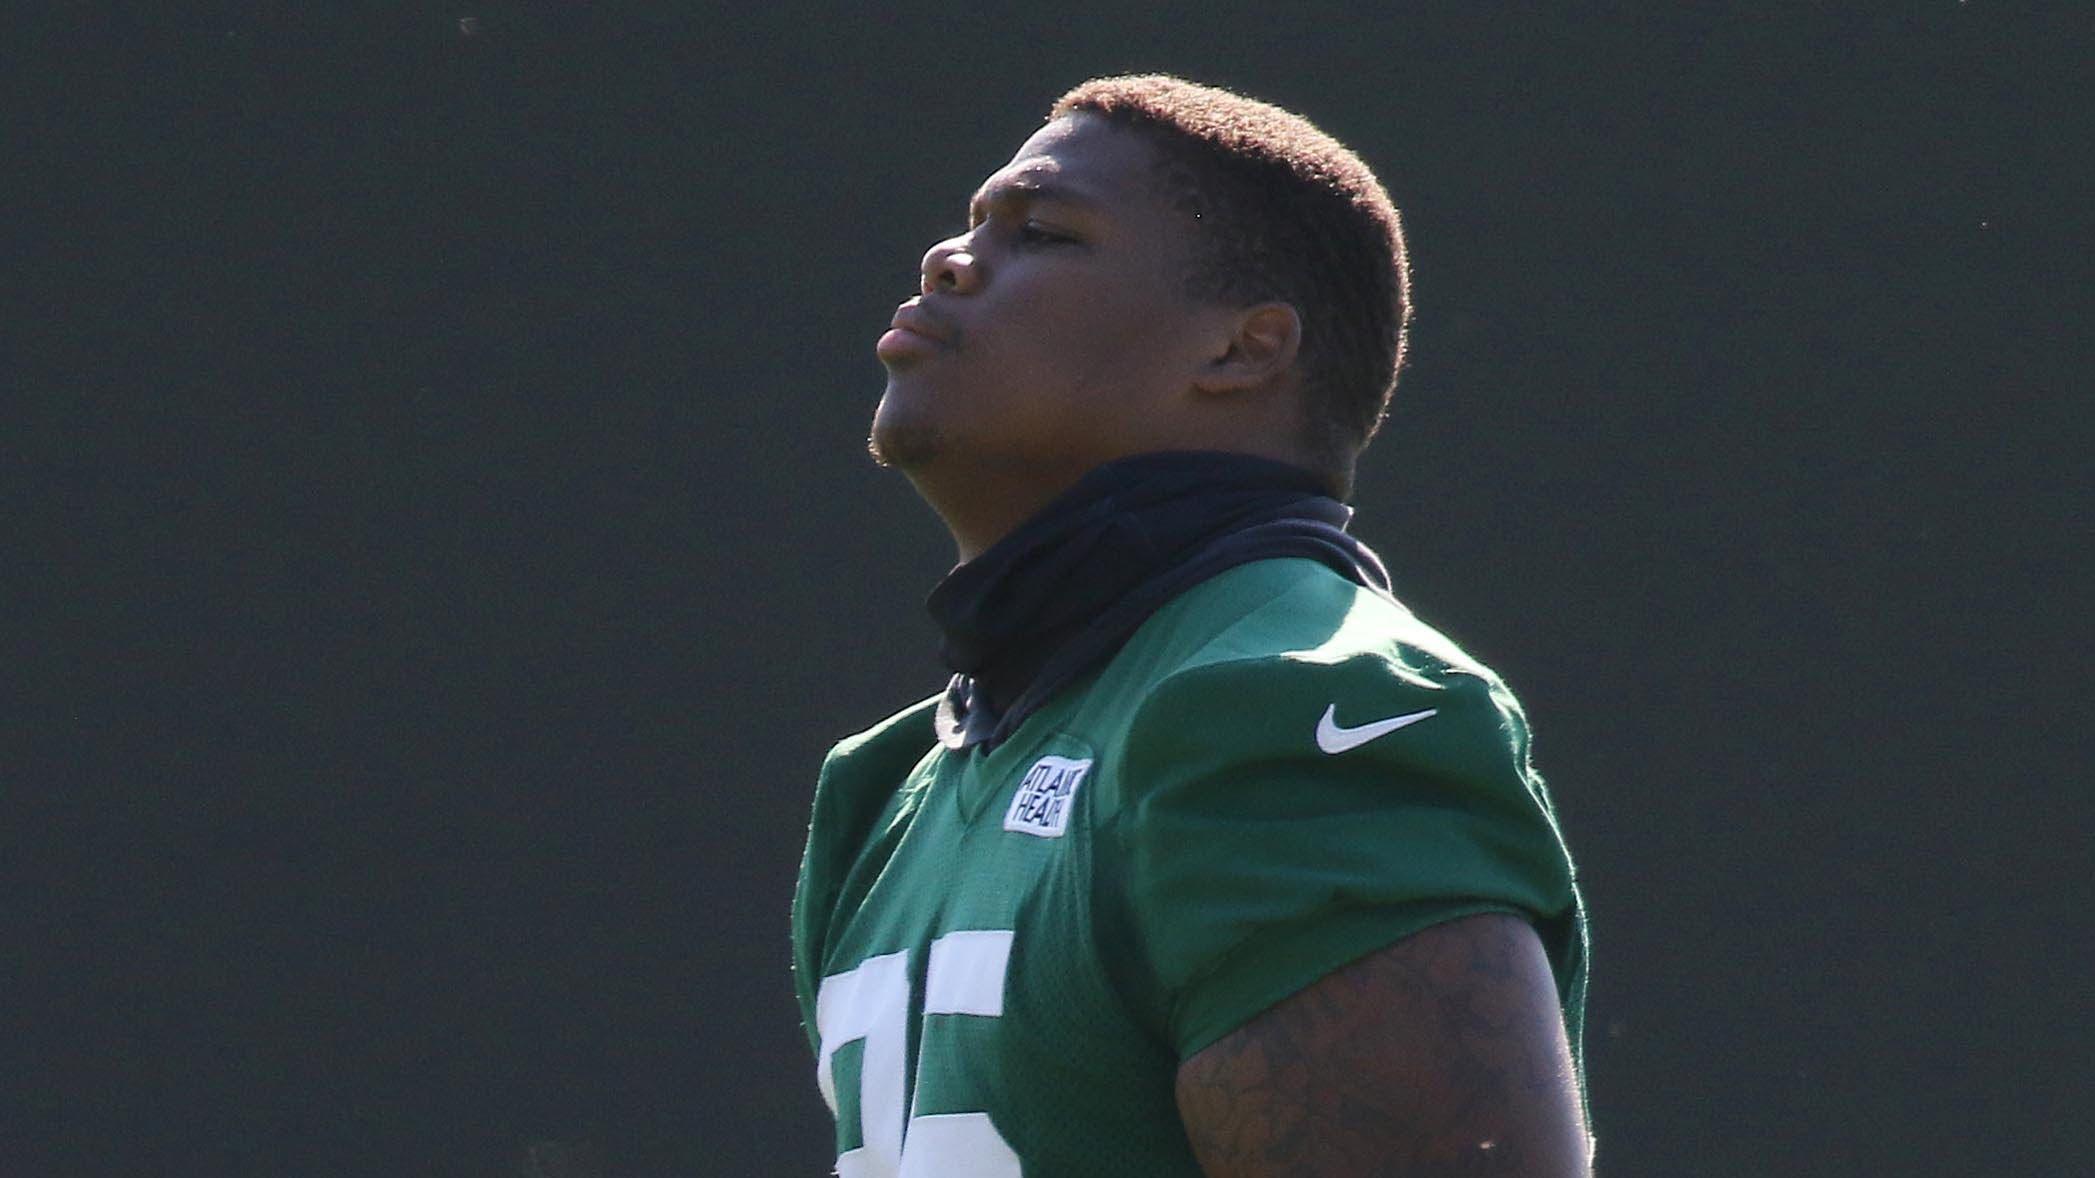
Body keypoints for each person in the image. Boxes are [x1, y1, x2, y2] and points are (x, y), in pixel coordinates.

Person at [791, 74, 1592, 1177]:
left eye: (1041, 231)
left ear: (1241, 348)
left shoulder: (1302, 696)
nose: (949, 258)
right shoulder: (891, 784)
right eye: (971, 221)